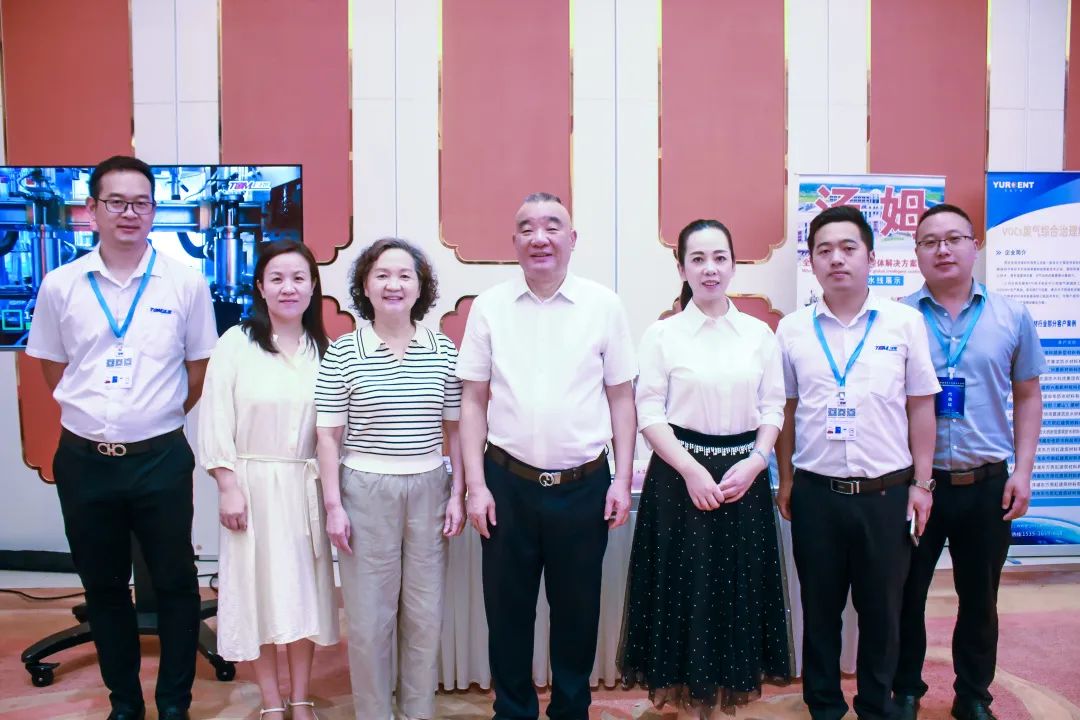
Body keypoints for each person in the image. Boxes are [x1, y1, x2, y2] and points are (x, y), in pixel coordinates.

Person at [26, 155, 218, 720]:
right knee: (104, 587)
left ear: (153, 210)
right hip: (85, 461)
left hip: (160, 458)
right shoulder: (61, 285)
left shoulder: (185, 282)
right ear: (93, 210)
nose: (129, 213)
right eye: (116, 202)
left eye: (141, 203)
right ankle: (125, 704)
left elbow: (198, 369)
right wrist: (100, 417)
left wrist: (150, 417)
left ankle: (174, 704)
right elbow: (54, 369)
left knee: (177, 584)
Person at [457, 192, 638, 720]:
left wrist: (621, 480)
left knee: (577, 614)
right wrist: (476, 486)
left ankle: (571, 710)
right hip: (506, 484)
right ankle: (513, 711)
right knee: (506, 614)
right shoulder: (489, 306)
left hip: (584, 487)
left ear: (572, 239)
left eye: (552, 226)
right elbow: (472, 399)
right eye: (527, 228)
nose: (540, 238)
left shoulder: (604, 305)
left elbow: (621, 397)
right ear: (514, 241)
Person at [618, 219, 793, 719]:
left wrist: (757, 461)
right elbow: (648, 412)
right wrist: (691, 470)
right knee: (684, 593)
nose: (709, 269)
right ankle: (692, 702)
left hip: (743, 479)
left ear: (734, 265)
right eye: (697, 259)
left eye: (719, 258)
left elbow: (773, 407)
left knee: (736, 591)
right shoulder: (662, 335)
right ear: (681, 268)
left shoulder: (759, 335)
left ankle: (718, 702)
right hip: (679, 479)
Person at [774, 205, 940, 720]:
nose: (837, 259)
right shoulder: (793, 330)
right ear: (812, 261)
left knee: (883, 612)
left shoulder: (905, 323)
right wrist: (786, 480)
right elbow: (786, 409)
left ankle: (875, 705)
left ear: (871, 256)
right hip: (817, 494)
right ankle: (824, 706)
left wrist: (923, 484)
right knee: (819, 611)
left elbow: (921, 406)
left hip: (886, 495)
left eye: (848, 248)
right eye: (824, 250)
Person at [892, 204, 1046, 720]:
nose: (942, 249)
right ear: (917, 253)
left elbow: (1028, 395)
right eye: (929, 241)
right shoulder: (898, 318)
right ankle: (905, 690)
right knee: (906, 594)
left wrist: (1022, 471)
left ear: (974, 245)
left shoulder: (1011, 316)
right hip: (917, 484)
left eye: (953, 238)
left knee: (980, 598)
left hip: (986, 484)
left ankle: (973, 695)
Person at [315, 237, 464, 720]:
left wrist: (458, 494)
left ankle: (418, 713)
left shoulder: (443, 350)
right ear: (365, 285)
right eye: (381, 275)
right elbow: (327, 437)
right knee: (368, 621)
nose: (393, 284)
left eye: (404, 275)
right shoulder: (343, 352)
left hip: (429, 488)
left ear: (421, 287)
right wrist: (333, 506)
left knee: (424, 616)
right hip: (364, 490)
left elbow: (455, 431)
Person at [198, 240, 338, 720]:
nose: (288, 288)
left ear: (313, 286)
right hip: (251, 486)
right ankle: (271, 701)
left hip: (304, 488)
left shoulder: (325, 351)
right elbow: (215, 417)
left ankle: (300, 698)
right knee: (255, 593)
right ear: (260, 286)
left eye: (299, 278)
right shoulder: (236, 343)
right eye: (276, 278)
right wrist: (227, 485)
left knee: (303, 595)